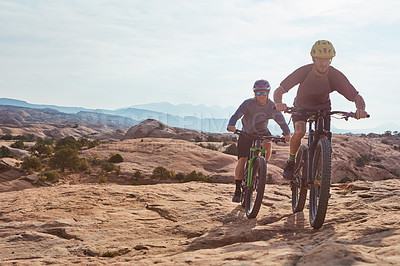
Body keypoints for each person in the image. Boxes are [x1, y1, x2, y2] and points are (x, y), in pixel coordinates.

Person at [273, 40, 368, 180]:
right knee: (299, 130)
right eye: (320, 59)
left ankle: (321, 177)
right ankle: (291, 162)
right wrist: (278, 103)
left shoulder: (335, 75)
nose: (323, 63)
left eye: (327, 60)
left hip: (323, 109)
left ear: (331, 60)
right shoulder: (304, 71)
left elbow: (356, 96)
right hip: (301, 106)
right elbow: (279, 90)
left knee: (324, 137)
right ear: (313, 59)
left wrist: (360, 109)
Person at [227, 79, 291, 202]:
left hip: (262, 132)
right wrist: (231, 125)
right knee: (242, 160)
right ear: (254, 93)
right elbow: (236, 115)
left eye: (264, 93)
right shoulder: (248, 104)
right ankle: (237, 190)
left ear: (268, 93)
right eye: (258, 93)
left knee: (267, 142)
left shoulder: (272, 106)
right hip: (246, 132)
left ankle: (263, 165)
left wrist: (287, 133)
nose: (261, 96)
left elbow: (281, 120)